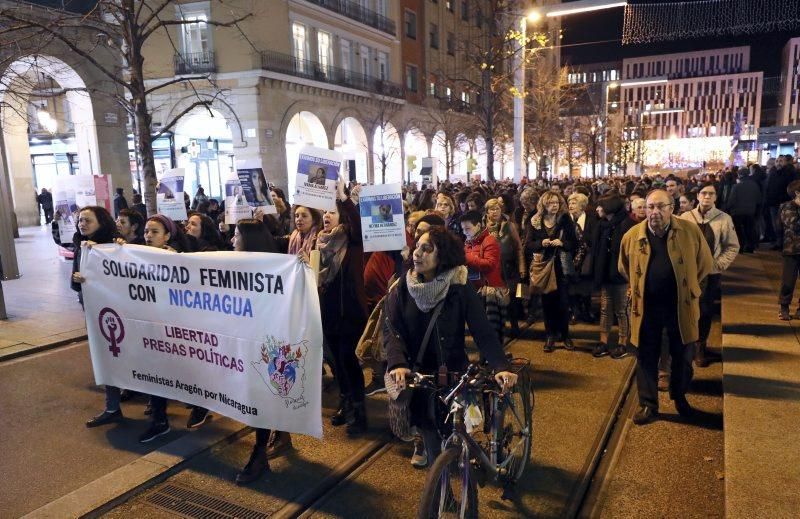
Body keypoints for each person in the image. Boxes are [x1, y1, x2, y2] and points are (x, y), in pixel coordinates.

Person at [385, 227, 518, 467]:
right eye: (417, 247)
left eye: (427, 249)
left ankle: (454, 476)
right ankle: (441, 487)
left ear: (442, 256)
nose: (418, 253)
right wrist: (398, 363)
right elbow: (393, 330)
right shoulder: (402, 286)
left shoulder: (459, 286)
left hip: (452, 373)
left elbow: (482, 330)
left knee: (452, 433)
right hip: (419, 374)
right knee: (428, 431)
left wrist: (500, 365)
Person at [618, 189, 713, 425]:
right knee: (646, 355)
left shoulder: (689, 232)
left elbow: (704, 264)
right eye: (651, 207)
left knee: (683, 355)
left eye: (661, 207)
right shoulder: (632, 236)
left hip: (680, 306)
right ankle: (648, 405)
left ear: (672, 208)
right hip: (647, 307)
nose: (655, 212)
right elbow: (624, 267)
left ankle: (680, 399)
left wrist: (689, 286)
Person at [310, 182, 369, 435]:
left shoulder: (352, 240)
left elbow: (357, 224)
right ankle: (346, 402)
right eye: (324, 212)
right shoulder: (319, 242)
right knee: (336, 362)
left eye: (331, 212)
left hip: (351, 311)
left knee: (349, 360)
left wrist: (343, 198)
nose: (326, 216)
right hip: (328, 311)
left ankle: (359, 410)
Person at [232, 219, 284, 485]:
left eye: (236, 235)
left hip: (266, 344)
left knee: (261, 397)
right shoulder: (232, 264)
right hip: (246, 339)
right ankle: (280, 433)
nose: (232, 240)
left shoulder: (274, 269)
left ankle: (259, 453)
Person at [70, 207, 125, 428]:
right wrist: (78, 278)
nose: (82, 224)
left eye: (88, 220)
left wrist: (118, 250)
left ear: (101, 222)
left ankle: (154, 405)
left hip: (120, 311)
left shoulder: (116, 244)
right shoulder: (80, 245)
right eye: (80, 220)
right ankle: (112, 407)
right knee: (105, 355)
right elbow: (75, 285)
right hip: (95, 309)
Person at [680, 183, 738, 366]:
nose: (707, 197)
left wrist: (718, 265)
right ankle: (685, 343)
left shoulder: (724, 219)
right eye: (704, 193)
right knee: (687, 308)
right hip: (688, 273)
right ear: (697, 196)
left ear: (715, 197)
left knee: (705, 310)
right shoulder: (685, 217)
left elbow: (732, 246)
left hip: (711, 274)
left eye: (711, 194)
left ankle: (700, 346)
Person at [527, 191, 577, 352]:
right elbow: (528, 244)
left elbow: (574, 243)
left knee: (563, 302)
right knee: (547, 303)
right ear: (544, 204)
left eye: (556, 202)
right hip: (543, 266)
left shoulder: (565, 219)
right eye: (550, 203)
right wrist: (541, 242)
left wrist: (561, 243)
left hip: (561, 266)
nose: (554, 206)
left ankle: (565, 334)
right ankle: (550, 335)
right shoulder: (535, 221)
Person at [591, 194, 636, 358]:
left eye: (600, 206)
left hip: (621, 275)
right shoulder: (602, 225)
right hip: (605, 274)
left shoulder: (627, 224)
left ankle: (623, 343)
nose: (597, 209)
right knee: (605, 309)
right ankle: (603, 341)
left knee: (621, 310)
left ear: (610, 207)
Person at [460, 210, 507, 341]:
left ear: (479, 225)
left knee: (491, 328)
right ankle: (485, 358)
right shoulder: (468, 242)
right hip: (475, 290)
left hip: (489, 290)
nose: (465, 232)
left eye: (468, 228)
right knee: (479, 328)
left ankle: (494, 358)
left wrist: (466, 258)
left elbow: (489, 264)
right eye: (463, 229)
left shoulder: (490, 240)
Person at [484, 198, 525, 336]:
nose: (494, 212)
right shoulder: (483, 227)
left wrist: (522, 266)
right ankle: (494, 327)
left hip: (509, 267)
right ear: (487, 211)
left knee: (512, 297)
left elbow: (519, 247)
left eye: (497, 209)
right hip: (490, 268)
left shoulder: (509, 226)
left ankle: (514, 325)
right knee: (492, 298)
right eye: (491, 209)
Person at [567, 192, 597, 323]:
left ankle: (586, 311)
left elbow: (593, 239)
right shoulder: (566, 220)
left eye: (574, 203)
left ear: (582, 206)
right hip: (570, 258)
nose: (571, 205)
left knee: (585, 287)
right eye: (570, 203)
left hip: (586, 259)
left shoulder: (591, 219)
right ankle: (575, 311)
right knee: (572, 287)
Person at [778, 179, 800, 320]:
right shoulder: (787, 207)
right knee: (788, 280)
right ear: (797, 193)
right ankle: (784, 307)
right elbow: (793, 225)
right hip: (792, 249)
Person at [726, 167, 762, 253]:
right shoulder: (754, 185)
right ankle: (750, 247)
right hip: (750, 211)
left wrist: (727, 209)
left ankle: (740, 247)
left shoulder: (736, 186)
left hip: (737, 212)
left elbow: (732, 200)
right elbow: (758, 199)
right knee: (749, 229)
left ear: (739, 175)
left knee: (738, 230)